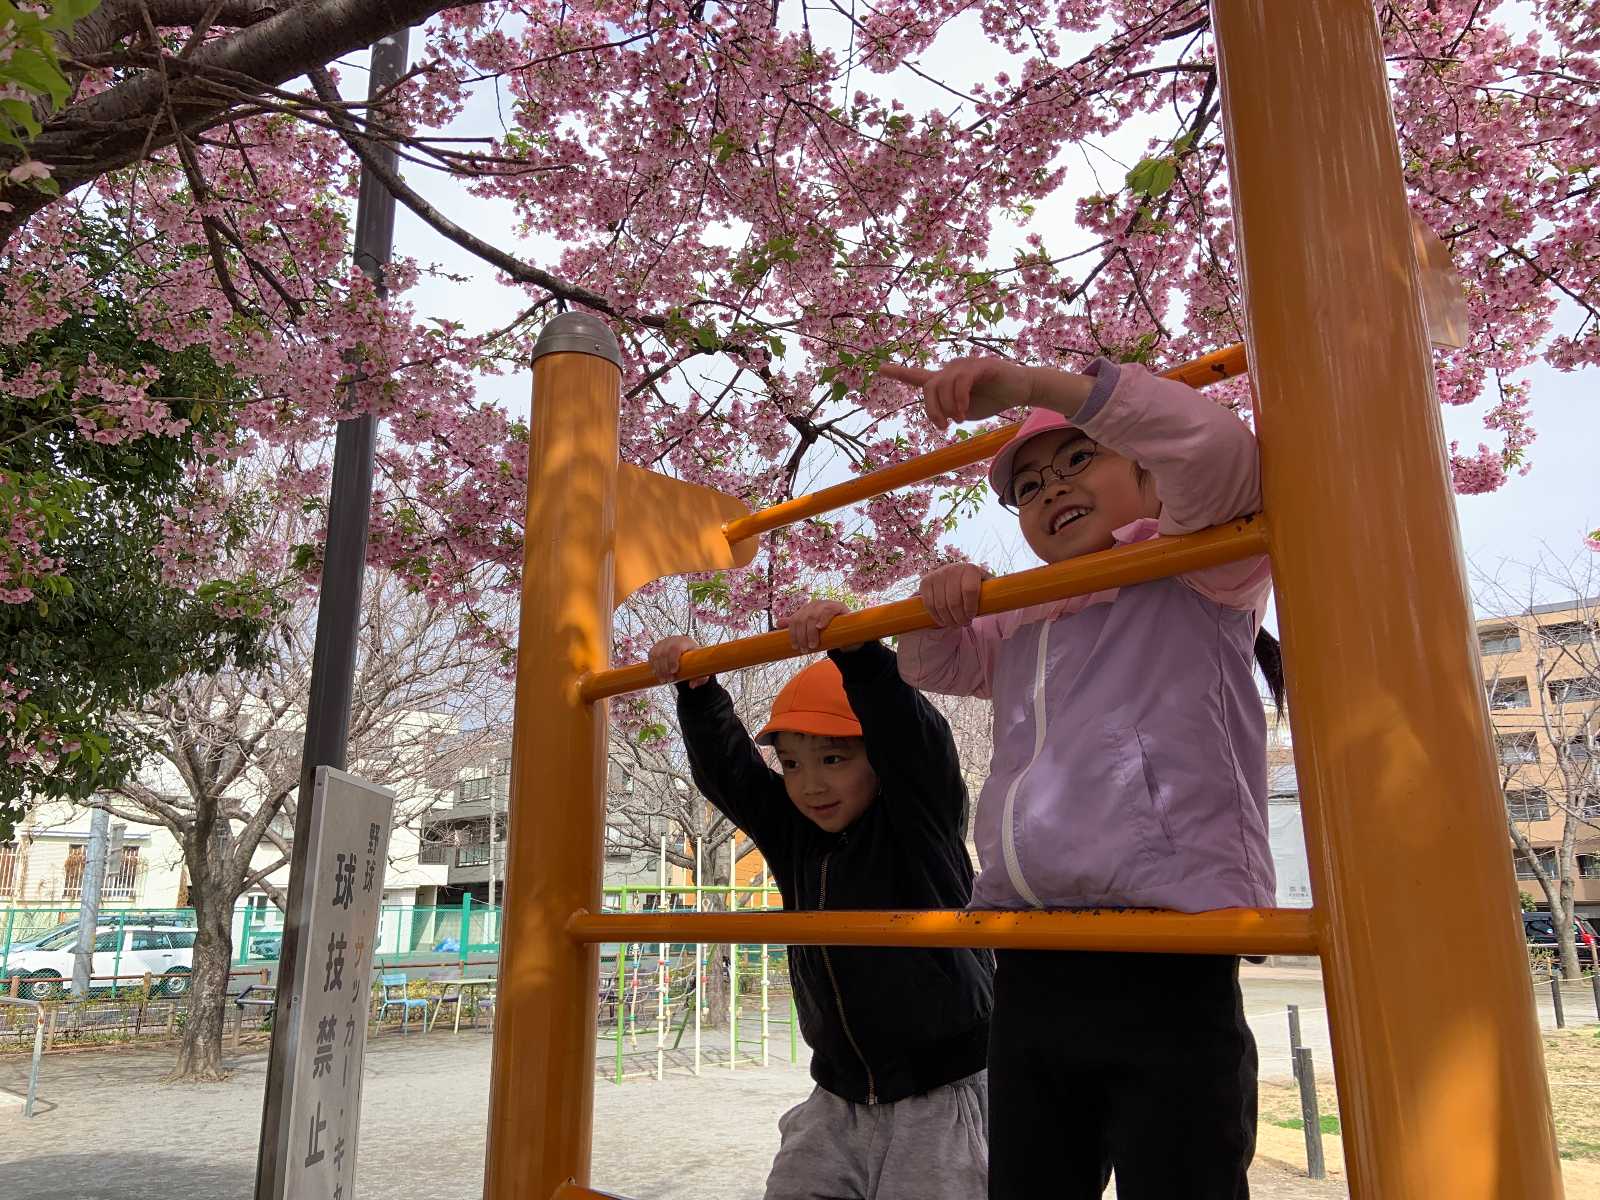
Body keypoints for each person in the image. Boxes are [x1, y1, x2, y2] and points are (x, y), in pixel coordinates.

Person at [879, 354, 1284, 1200]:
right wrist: (940, 596)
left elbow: (1220, 456)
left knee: (1180, 1179)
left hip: (1165, 947)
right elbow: (935, 663)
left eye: (1078, 457)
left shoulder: (1201, 565)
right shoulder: (1030, 606)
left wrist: (1039, 388)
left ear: (1148, 473)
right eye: (1027, 487)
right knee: (1028, 1182)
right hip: (1034, 950)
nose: (1051, 488)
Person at [649, 605, 992, 1200]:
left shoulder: (918, 826)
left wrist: (861, 657)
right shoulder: (799, 840)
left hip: (940, 1090)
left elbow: (916, 743)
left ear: (879, 764)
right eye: (791, 764)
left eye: (835, 760)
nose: (811, 785)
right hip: (837, 1094)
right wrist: (699, 692)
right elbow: (734, 777)